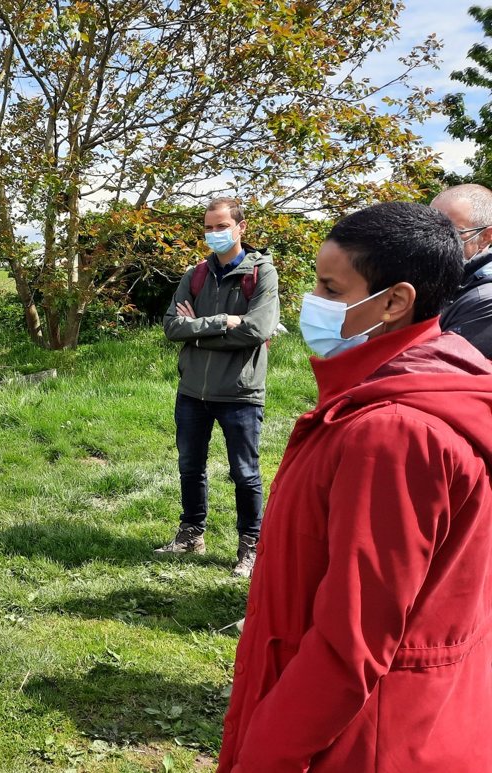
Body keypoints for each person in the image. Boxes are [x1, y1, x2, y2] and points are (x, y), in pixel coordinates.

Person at [218, 201, 492, 772]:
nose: (311, 303)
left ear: (394, 301)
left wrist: (262, 758)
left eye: (329, 288)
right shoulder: (440, 374)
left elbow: (350, 646)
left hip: (361, 741)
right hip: (420, 718)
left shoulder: (394, 432)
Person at [158, 197, 279, 578]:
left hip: (239, 392)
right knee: (190, 466)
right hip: (193, 390)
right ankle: (191, 534)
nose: (214, 234)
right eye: (209, 227)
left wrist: (199, 330)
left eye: (221, 226)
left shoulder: (261, 273)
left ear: (241, 227)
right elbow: (171, 326)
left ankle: (250, 546)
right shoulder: (195, 274)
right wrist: (223, 321)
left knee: (245, 472)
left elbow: (257, 330)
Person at [431, 183, 492, 357]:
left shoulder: (486, 300)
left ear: (486, 237)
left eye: (450, 232)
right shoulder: (445, 278)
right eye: (427, 228)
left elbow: (439, 371)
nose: (433, 240)